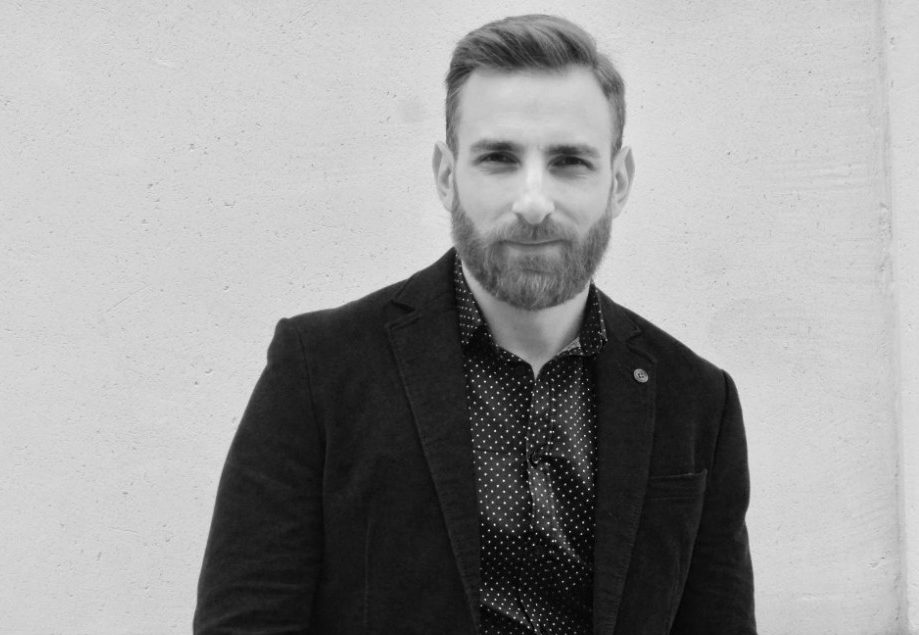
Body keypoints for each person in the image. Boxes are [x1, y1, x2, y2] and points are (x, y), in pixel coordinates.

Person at [194, 14, 756, 634]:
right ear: (446, 175)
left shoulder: (696, 400)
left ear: (618, 182)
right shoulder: (320, 369)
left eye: (570, 161)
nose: (533, 203)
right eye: (498, 159)